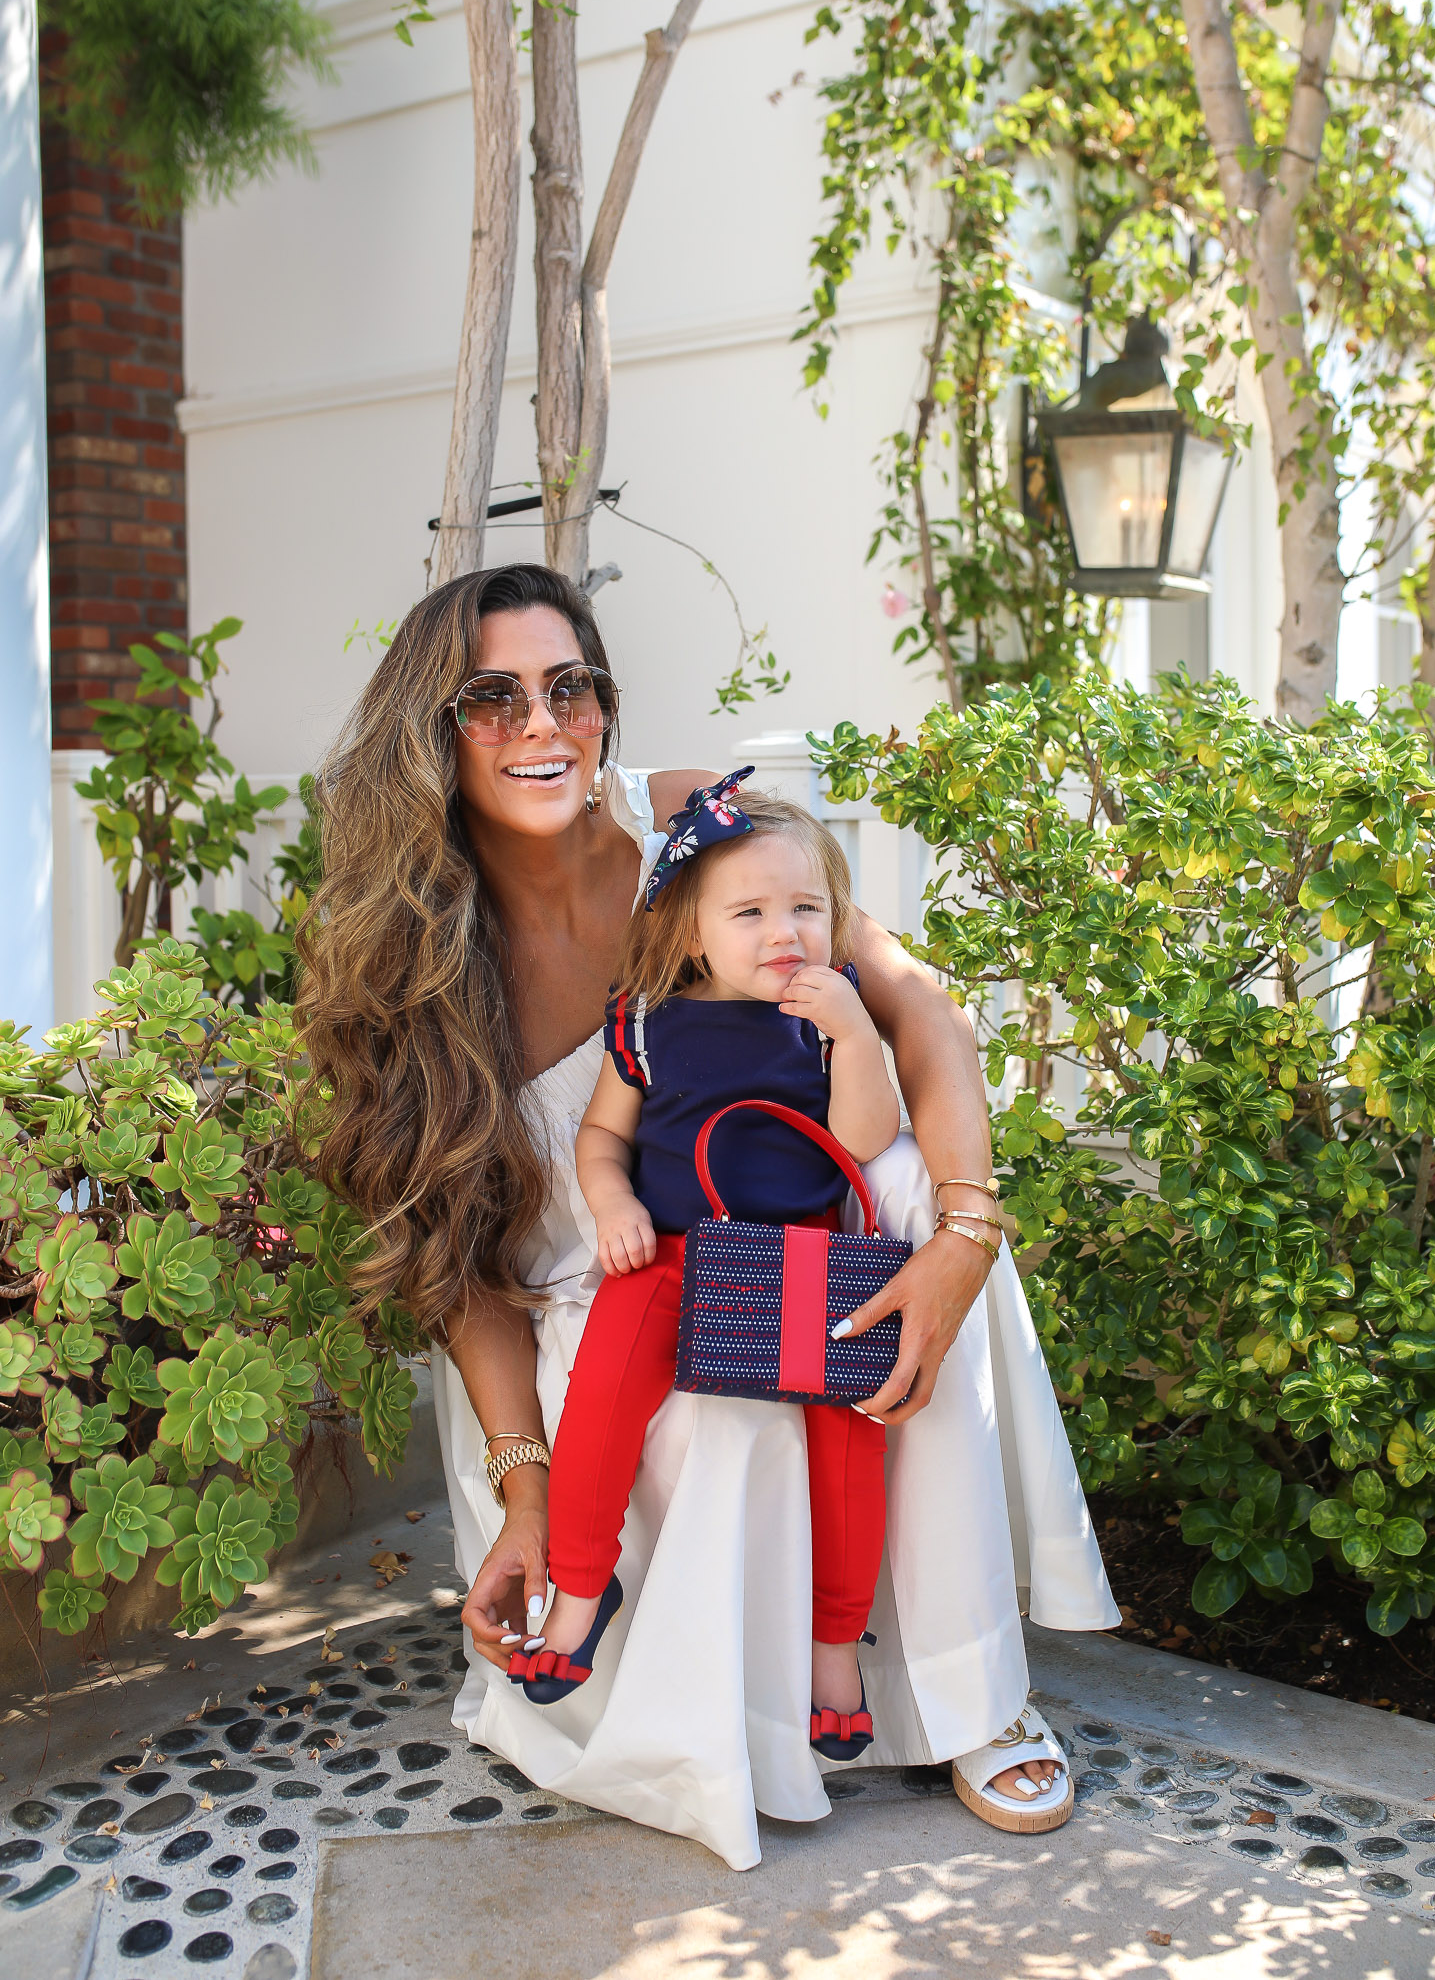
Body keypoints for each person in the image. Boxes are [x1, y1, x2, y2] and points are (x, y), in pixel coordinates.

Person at [299, 562, 1118, 1872]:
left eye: (573, 685)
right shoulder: (413, 961)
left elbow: (917, 1008)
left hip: (770, 1212)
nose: (543, 723)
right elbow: (457, 1271)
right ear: (433, 730)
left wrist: (965, 1231)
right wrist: (521, 1481)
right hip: (582, 1293)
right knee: (705, 1385)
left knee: (905, 1191)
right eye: (492, 697)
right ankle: (719, 1667)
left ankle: (969, 1689)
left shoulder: (698, 828)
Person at [511, 779, 900, 1761]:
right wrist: (614, 1204)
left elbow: (866, 1137)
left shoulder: (824, 1020)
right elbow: (602, 1135)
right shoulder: (650, 1021)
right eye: (752, 912)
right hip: (675, 1255)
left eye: (807, 908)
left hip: (802, 1263)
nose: (785, 933)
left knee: (851, 1435)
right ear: (692, 932)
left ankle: (834, 1644)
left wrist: (854, 1034)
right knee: (601, 1397)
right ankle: (582, 1586)